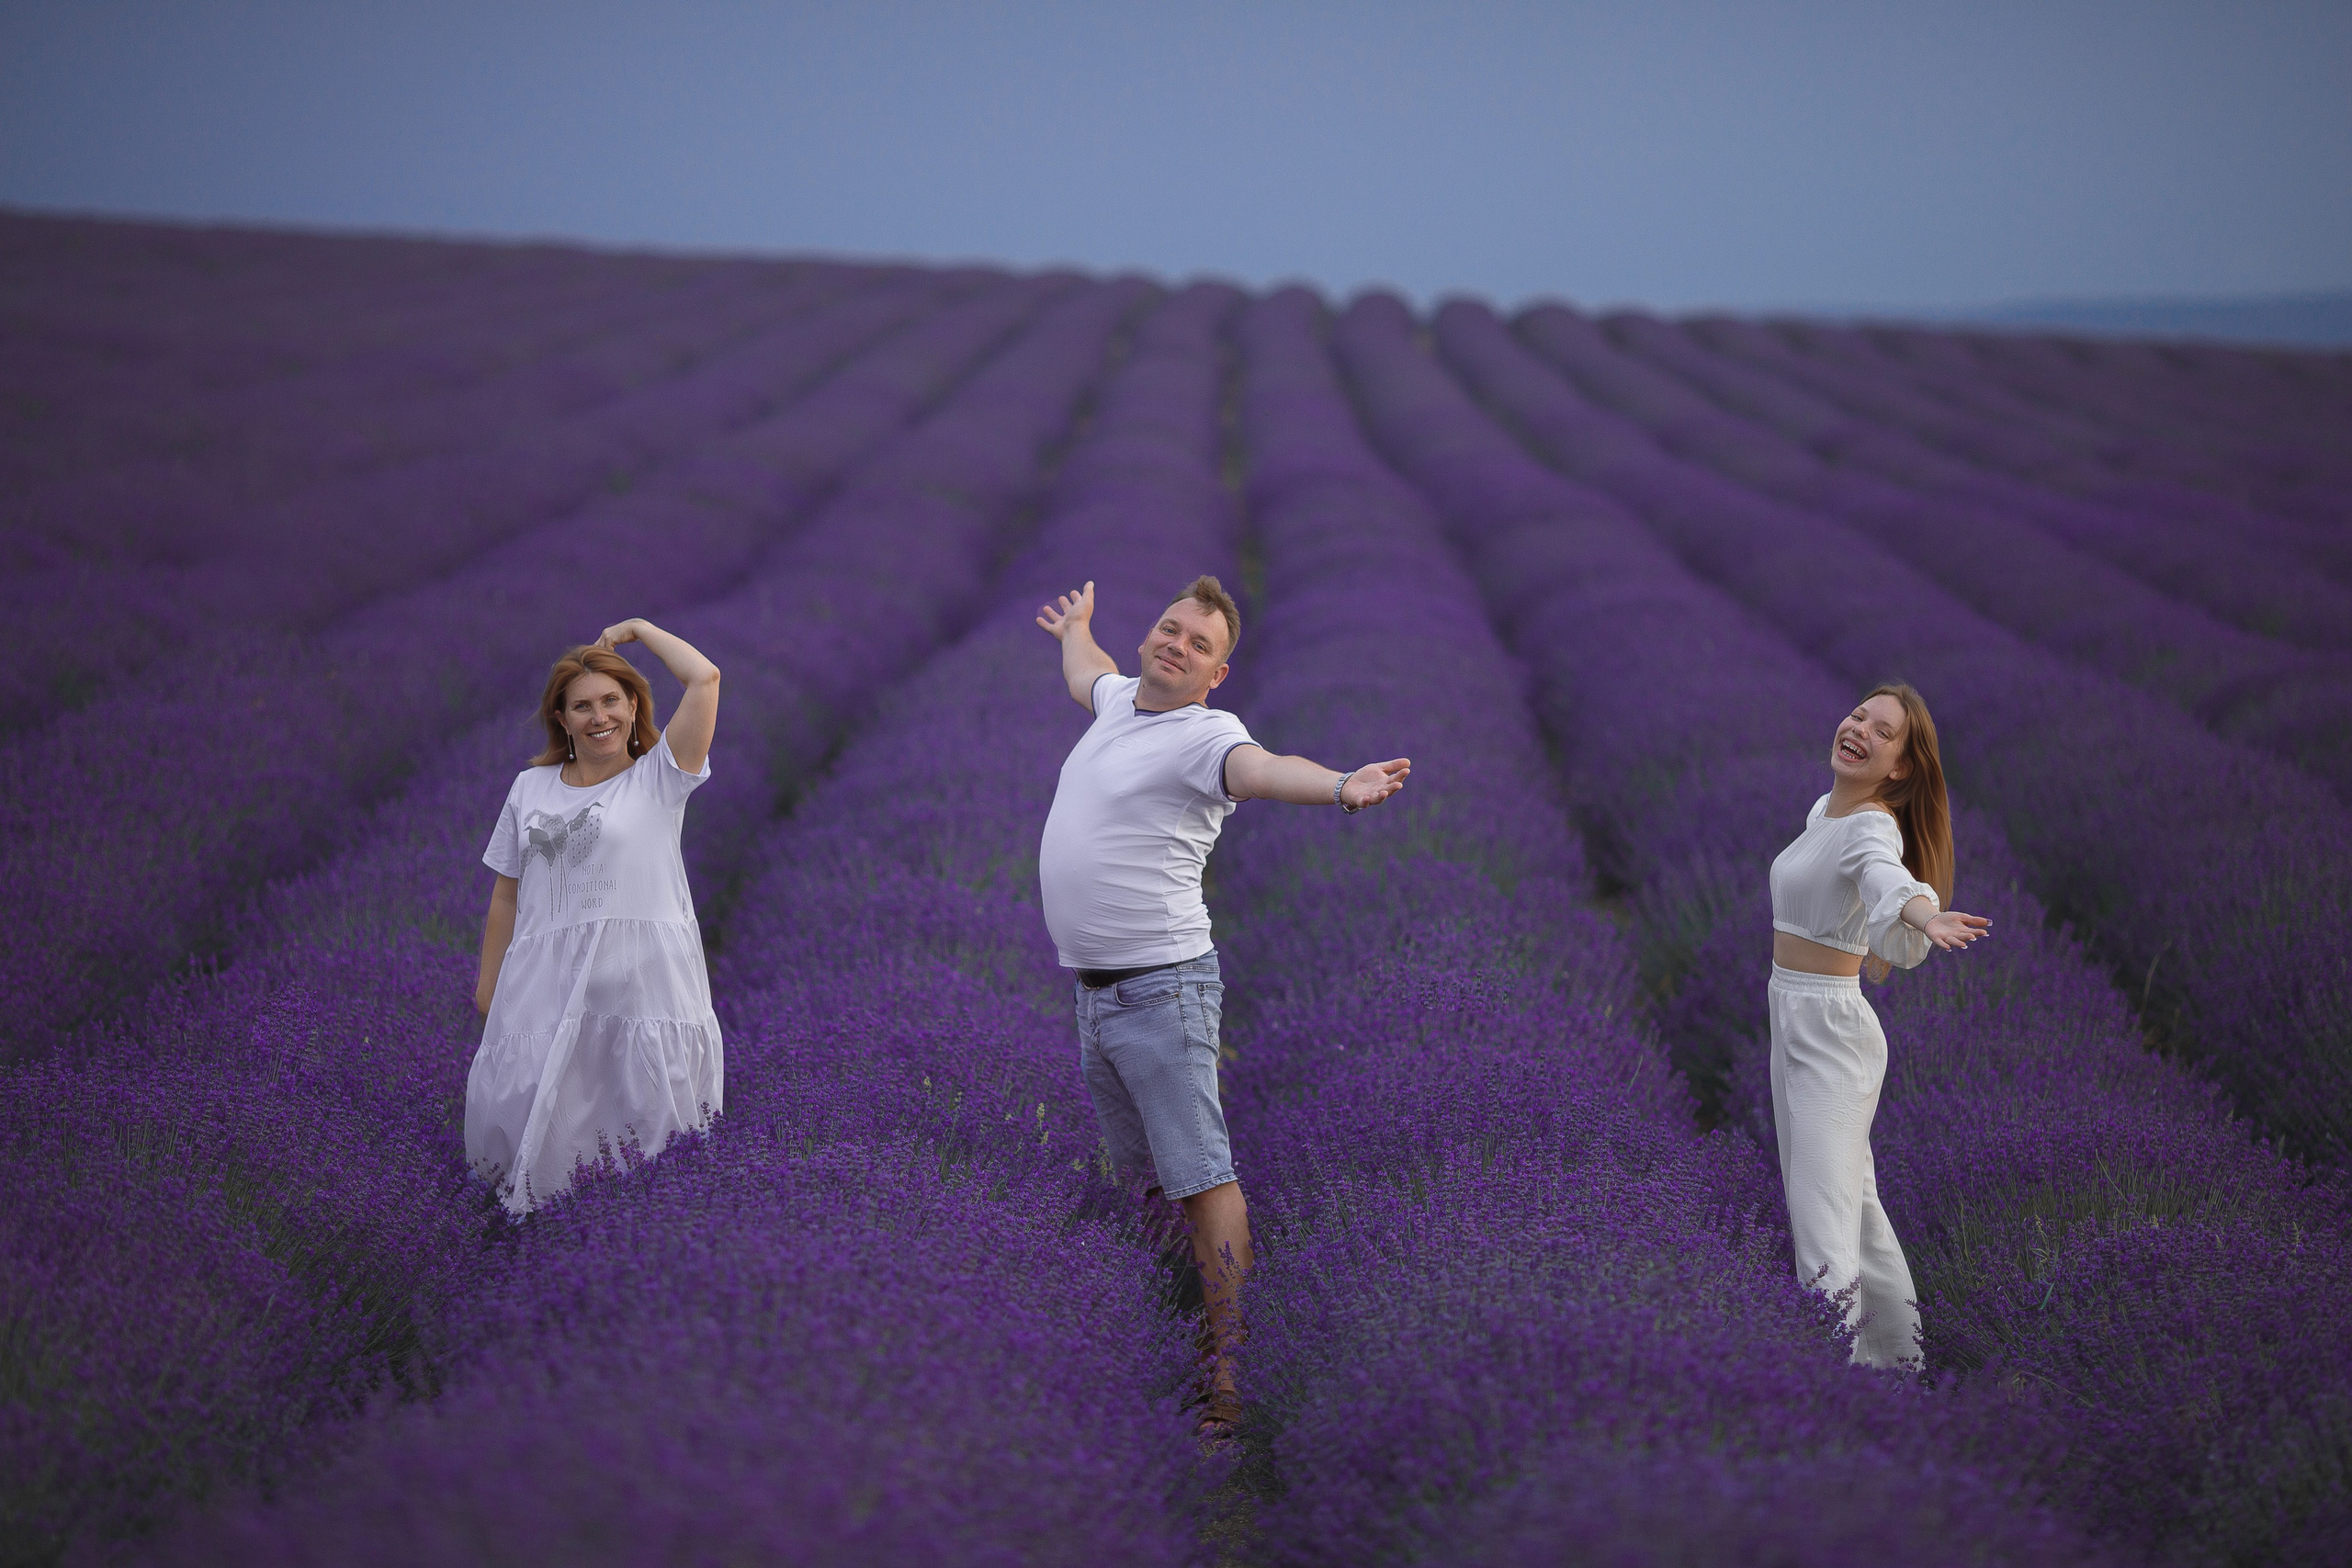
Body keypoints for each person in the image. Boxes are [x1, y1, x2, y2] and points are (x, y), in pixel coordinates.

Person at [1035, 574, 1410, 1437]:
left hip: (1161, 992)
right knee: (1146, 1185)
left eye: (1197, 644)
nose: (1176, 645)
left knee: (1201, 1177)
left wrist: (1341, 783)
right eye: (1169, 630)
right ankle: (1164, 1335)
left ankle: (1233, 1372)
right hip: (1098, 996)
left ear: (1218, 673)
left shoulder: (1211, 736)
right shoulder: (1121, 700)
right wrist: (1076, 628)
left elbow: (1269, 769)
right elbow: (1084, 671)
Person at [467, 618, 723, 1214]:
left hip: (640, 991)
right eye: (581, 705)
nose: (598, 715)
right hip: (542, 989)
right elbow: (506, 892)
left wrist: (640, 630)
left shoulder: (660, 776)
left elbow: (705, 679)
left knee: (645, 1140)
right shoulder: (530, 788)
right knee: (537, 1141)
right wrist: (489, 986)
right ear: (561, 718)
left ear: (634, 708)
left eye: (612, 700)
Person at [1767, 682, 1989, 1368]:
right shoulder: (1822, 812)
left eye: (1883, 730)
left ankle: (1833, 1380)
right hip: (1794, 1016)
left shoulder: (1870, 824)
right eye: (1859, 714)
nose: (1859, 727)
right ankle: (1896, 1365)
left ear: (1898, 768)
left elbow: (1887, 877)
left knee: (1821, 1218)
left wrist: (1925, 914)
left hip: (1831, 1033)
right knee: (1852, 1206)